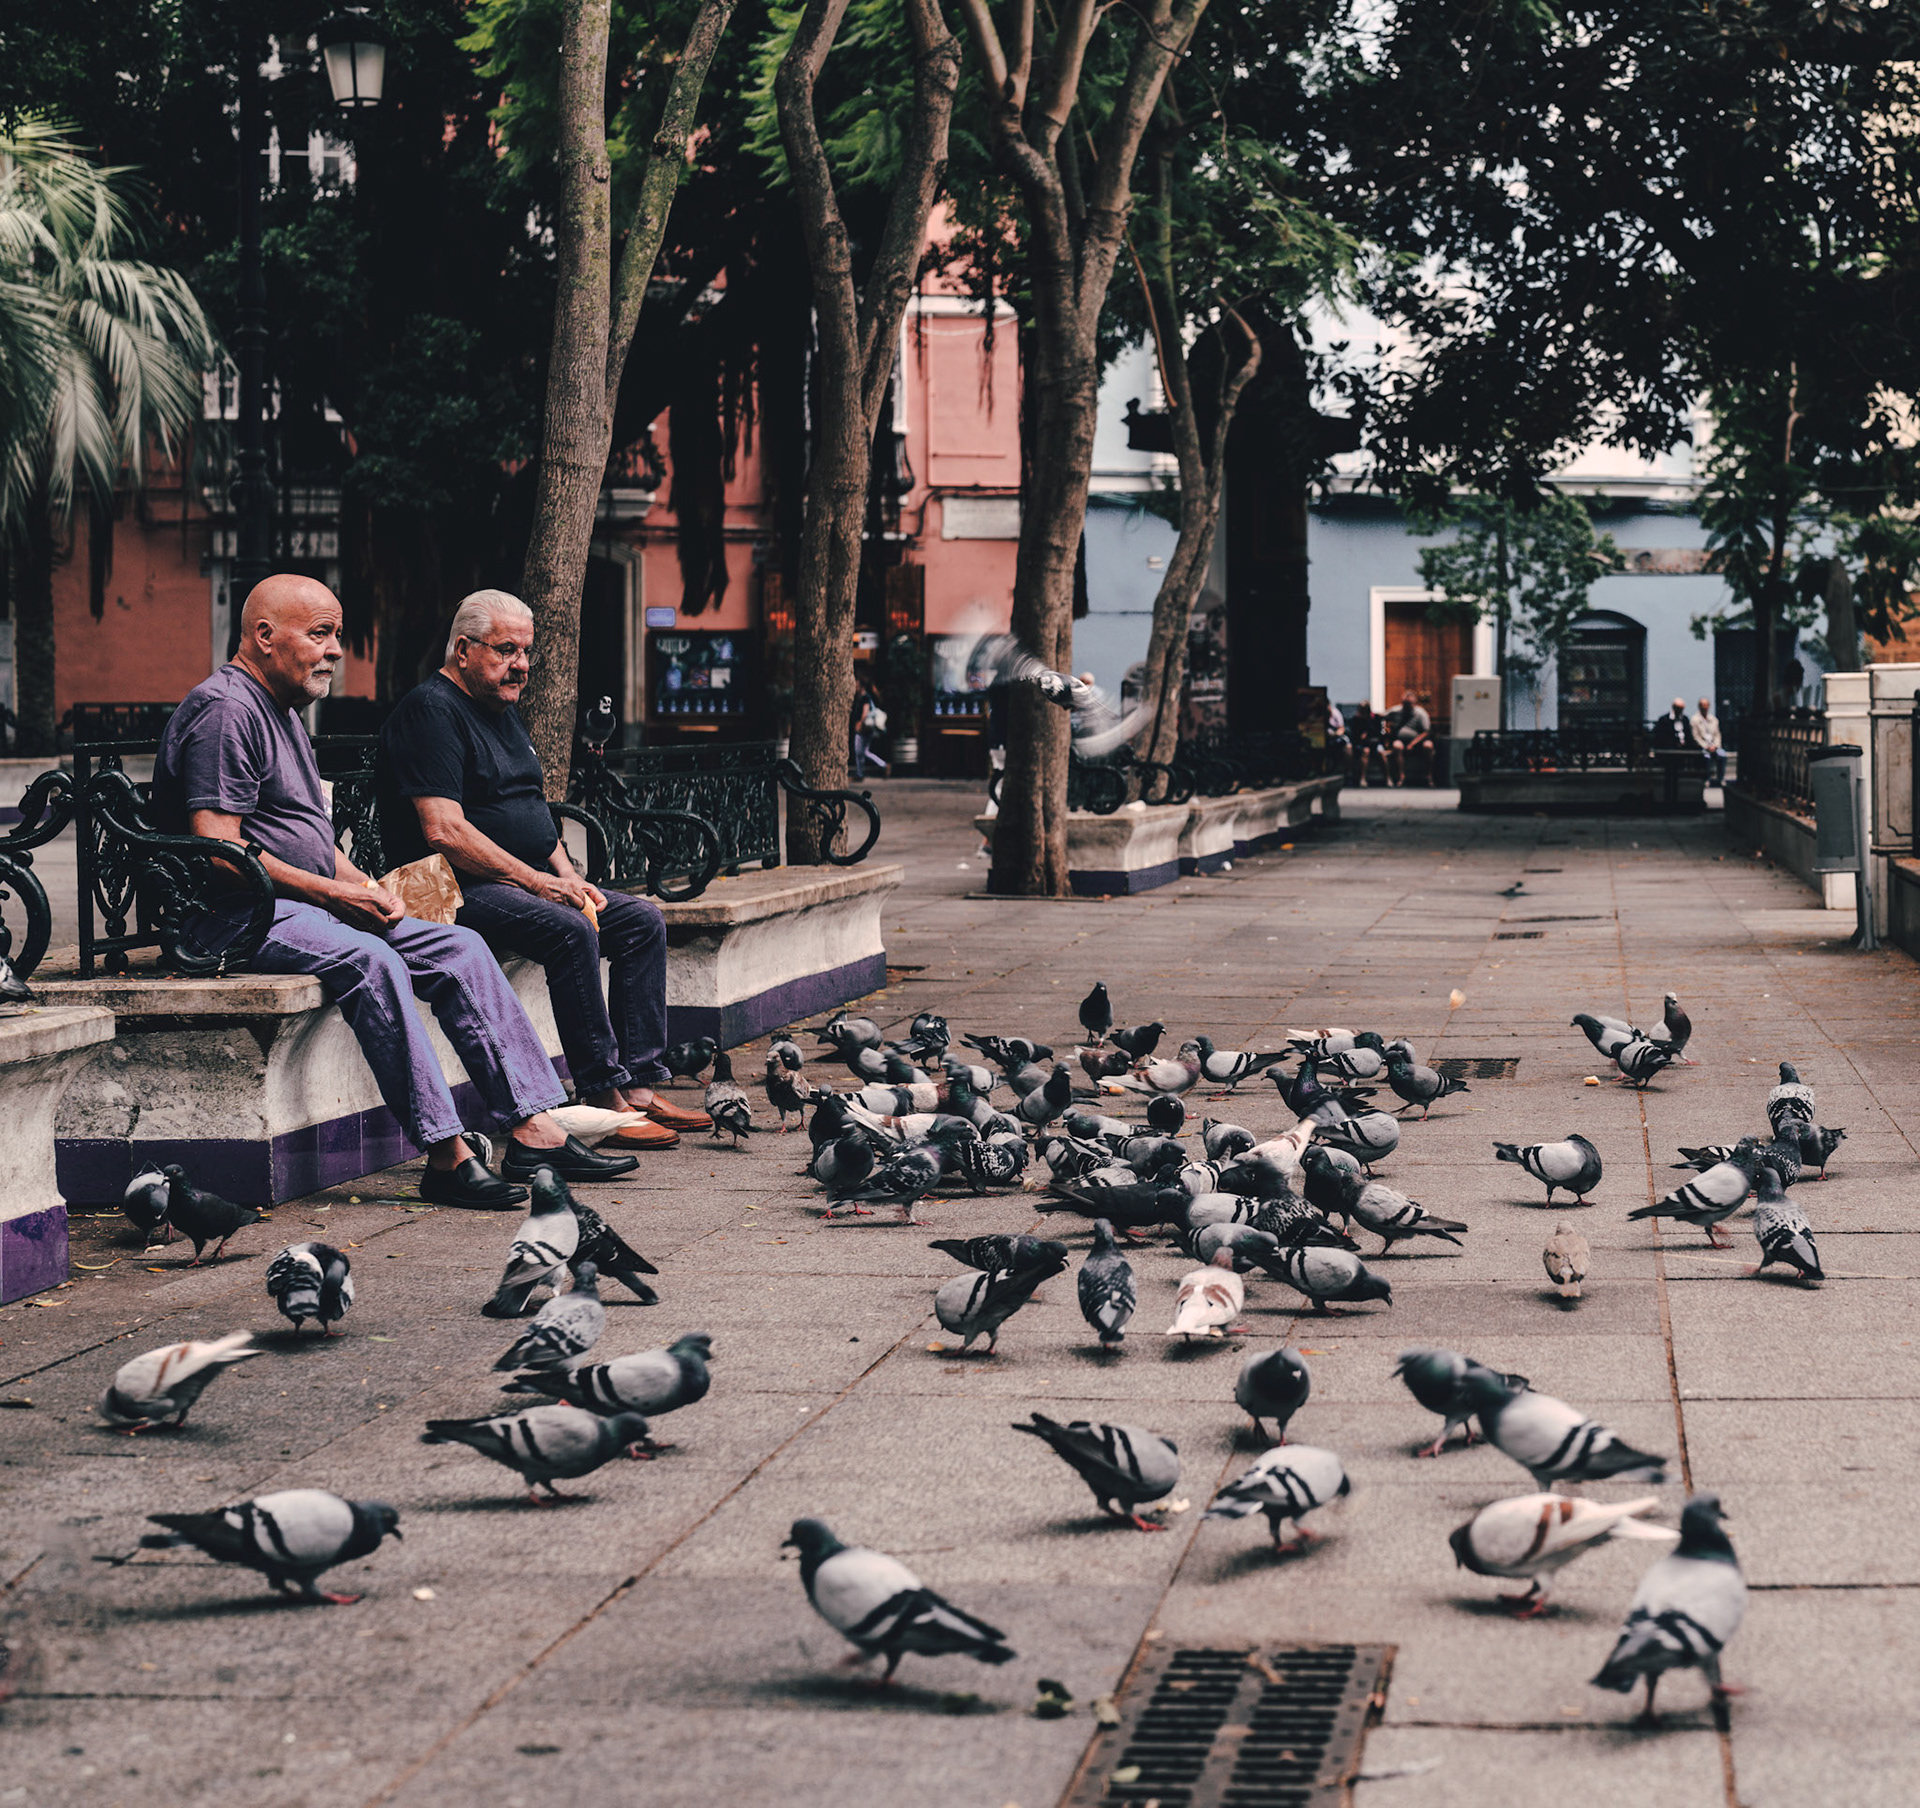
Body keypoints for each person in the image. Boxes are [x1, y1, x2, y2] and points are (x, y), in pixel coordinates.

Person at [151, 574, 634, 1208]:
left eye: (338, 636)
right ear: (264, 637)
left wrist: (366, 887)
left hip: (299, 903)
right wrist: (333, 894)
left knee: (458, 946)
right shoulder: (227, 711)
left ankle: (534, 1127)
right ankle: (446, 1152)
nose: (333, 651)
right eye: (320, 634)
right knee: (372, 961)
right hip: (238, 916)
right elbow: (221, 854)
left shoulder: (282, 710)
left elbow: (309, 840)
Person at [376, 590, 710, 1149]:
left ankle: (643, 1085)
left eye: (526, 652)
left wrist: (568, 875)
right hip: (445, 887)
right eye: (507, 650)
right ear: (463, 649)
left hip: (517, 879)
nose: (522, 664)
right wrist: (537, 883)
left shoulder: (501, 712)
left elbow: (533, 812)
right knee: (569, 928)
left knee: (640, 920)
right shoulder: (430, 711)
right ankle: (603, 1095)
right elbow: (443, 829)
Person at [1385, 690, 1433, 787]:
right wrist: (1387, 730)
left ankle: (1429, 776)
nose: (1406, 706)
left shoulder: (1420, 713)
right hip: (1401, 740)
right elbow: (1383, 717)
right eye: (1405, 704)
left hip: (1418, 741)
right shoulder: (1396, 711)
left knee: (1429, 746)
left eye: (1409, 704)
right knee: (1397, 746)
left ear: (1414, 704)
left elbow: (1426, 732)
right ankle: (1401, 776)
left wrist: (1412, 744)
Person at [850, 676, 888, 779]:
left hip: (863, 728)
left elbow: (865, 712)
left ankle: (860, 773)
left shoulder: (865, 698)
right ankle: (882, 765)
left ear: (862, 687)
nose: (855, 687)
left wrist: (860, 724)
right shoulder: (864, 697)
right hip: (866, 728)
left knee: (859, 751)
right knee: (864, 751)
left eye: (857, 685)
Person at [1692, 696, 1725, 784]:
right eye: (1702, 705)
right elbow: (1696, 737)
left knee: (1722, 754)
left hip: (1713, 745)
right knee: (1706, 757)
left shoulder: (1714, 719)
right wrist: (1706, 746)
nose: (1704, 708)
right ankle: (1707, 778)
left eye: (1706, 705)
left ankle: (1720, 778)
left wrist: (1716, 745)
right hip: (1703, 746)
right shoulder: (1695, 720)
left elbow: (1717, 735)